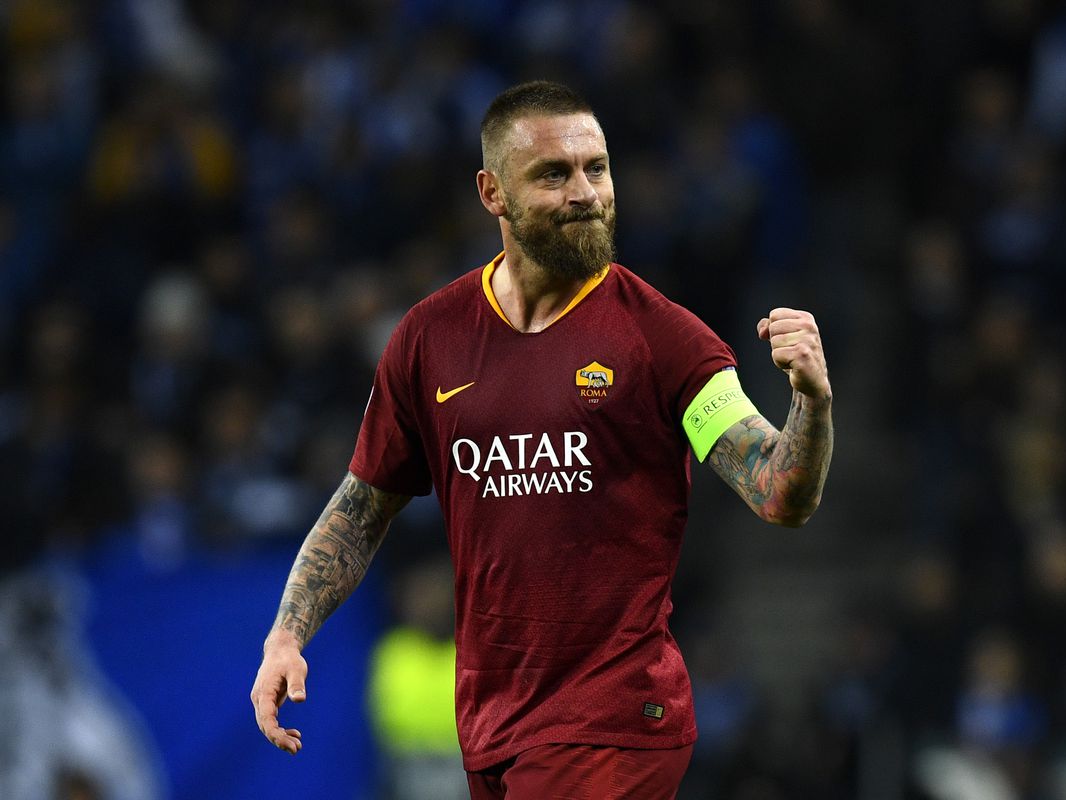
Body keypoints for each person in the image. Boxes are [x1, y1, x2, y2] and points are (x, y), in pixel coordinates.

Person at [250, 80, 834, 799]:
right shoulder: (431, 339)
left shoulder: (665, 340)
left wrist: (811, 402)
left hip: (613, 720)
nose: (585, 192)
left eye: (597, 168)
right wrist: (287, 635)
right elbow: (361, 507)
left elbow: (778, 491)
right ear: (492, 193)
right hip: (493, 726)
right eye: (554, 174)